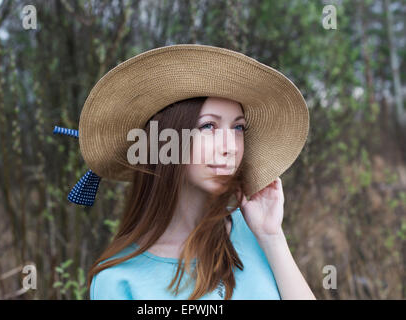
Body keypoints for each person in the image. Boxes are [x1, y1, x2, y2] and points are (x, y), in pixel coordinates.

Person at [59, 44, 314, 299]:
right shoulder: (118, 281)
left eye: (238, 128)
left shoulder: (255, 232)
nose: (230, 148)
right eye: (208, 126)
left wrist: (272, 236)